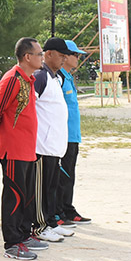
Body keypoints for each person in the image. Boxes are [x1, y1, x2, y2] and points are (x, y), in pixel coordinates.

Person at [0, 37, 43, 260]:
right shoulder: (12, 79)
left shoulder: (28, 79)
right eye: (39, 54)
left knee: (26, 195)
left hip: (27, 148)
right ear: (27, 57)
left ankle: (23, 234)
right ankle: (12, 242)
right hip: (13, 149)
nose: (42, 57)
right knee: (14, 196)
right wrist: (0, 136)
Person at [31, 37, 73, 242]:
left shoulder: (56, 78)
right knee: (41, 189)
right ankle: (39, 226)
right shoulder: (40, 76)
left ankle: (49, 222)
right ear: (48, 54)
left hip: (55, 146)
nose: (64, 59)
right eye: (61, 55)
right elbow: (30, 107)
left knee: (51, 188)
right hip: (42, 145)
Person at [56, 40, 92, 226]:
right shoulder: (58, 78)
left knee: (69, 174)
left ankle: (68, 209)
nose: (78, 58)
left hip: (73, 136)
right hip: (62, 137)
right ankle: (58, 212)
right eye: (75, 55)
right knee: (62, 176)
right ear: (64, 56)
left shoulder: (68, 77)